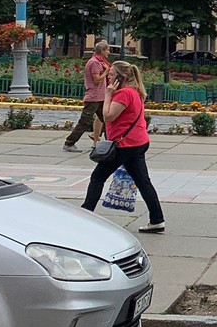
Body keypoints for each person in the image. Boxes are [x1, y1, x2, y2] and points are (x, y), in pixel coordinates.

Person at [81, 60, 165, 233]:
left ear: (122, 77)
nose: (108, 77)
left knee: (97, 177)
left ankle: (85, 214)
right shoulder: (134, 91)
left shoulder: (124, 93)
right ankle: (157, 220)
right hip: (138, 142)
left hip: (125, 144)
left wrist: (108, 95)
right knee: (143, 181)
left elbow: (108, 116)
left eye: (111, 74)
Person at [64, 40, 111, 152]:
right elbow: (97, 80)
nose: (108, 52)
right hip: (94, 97)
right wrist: (106, 72)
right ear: (102, 51)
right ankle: (69, 143)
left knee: (107, 120)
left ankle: (111, 143)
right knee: (84, 121)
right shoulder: (94, 62)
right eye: (107, 50)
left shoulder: (99, 62)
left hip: (100, 97)